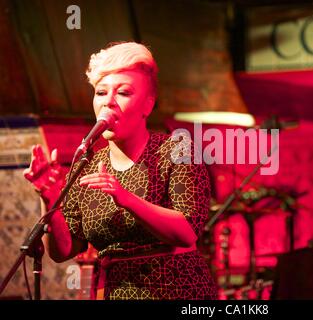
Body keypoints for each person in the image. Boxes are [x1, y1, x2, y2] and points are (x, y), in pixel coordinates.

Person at [23, 42, 218, 300]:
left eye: (123, 93)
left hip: (176, 290)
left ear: (148, 105)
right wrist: (49, 198)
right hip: (114, 292)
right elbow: (63, 251)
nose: (109, 103)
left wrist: (124, 197)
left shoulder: (177, 150)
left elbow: (186, 231)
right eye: (101, 92)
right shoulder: (86, 164)